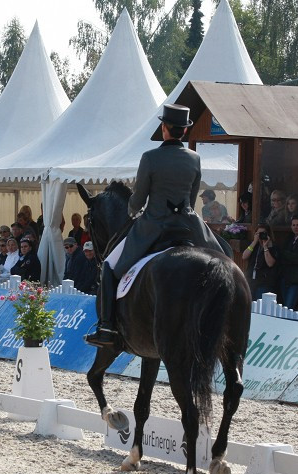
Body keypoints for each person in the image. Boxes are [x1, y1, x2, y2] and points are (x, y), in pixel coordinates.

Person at [86, 104, 230, 347]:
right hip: (189, 224)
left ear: (164, 128)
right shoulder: (195, 159)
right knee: (226, 258)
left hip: (154, 226)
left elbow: (139, 199)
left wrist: (133, 210)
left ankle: (107, 327)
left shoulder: (150, 158)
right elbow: (192, 198)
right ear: (184, 132)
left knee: (109, 267)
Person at [243, 223, 280, 300]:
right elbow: (244, 256)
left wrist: (265, 246)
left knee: (260, 307)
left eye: (263, 233)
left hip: (264, 283)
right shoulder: (254, 246)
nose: (260, 236)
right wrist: (254, 242)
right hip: (251, 281)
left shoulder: (273, 247)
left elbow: (270, 263)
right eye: (258, 233)